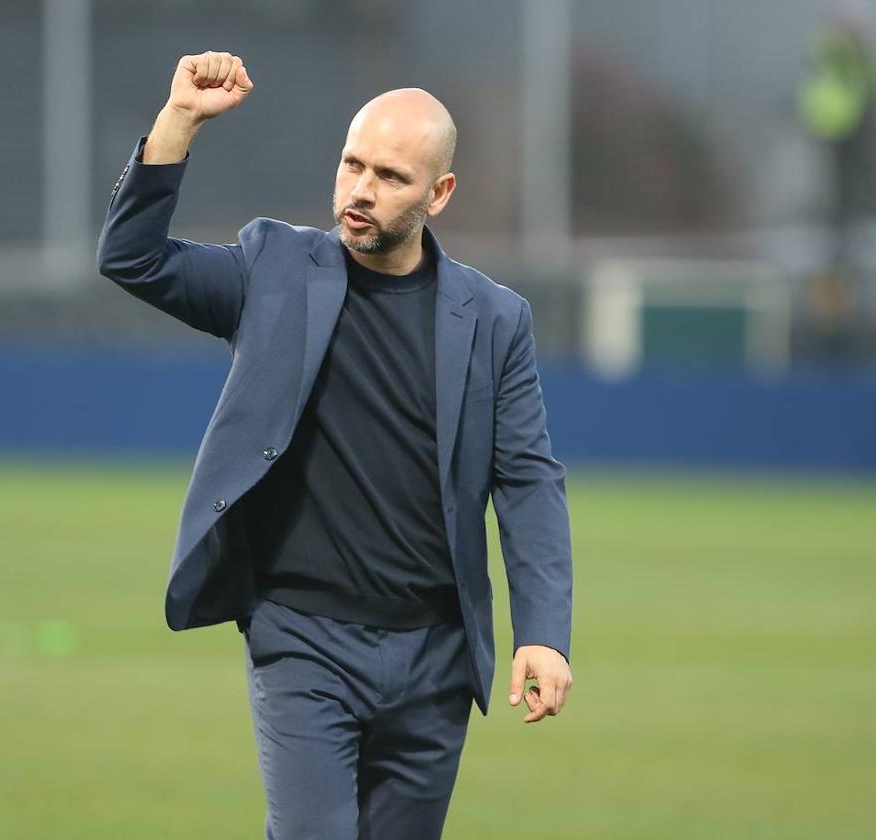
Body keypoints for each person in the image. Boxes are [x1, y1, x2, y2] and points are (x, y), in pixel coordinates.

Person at [97, 51, 573, 840]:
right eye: (352, 164)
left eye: (389, 175)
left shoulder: (494, 321)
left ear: (439, 193)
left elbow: (526, 480)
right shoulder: (273, 267)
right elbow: (132, 259)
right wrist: (178, 119)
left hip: (435, 658)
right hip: (303, 643)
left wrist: (545, 635)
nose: (359, 190)